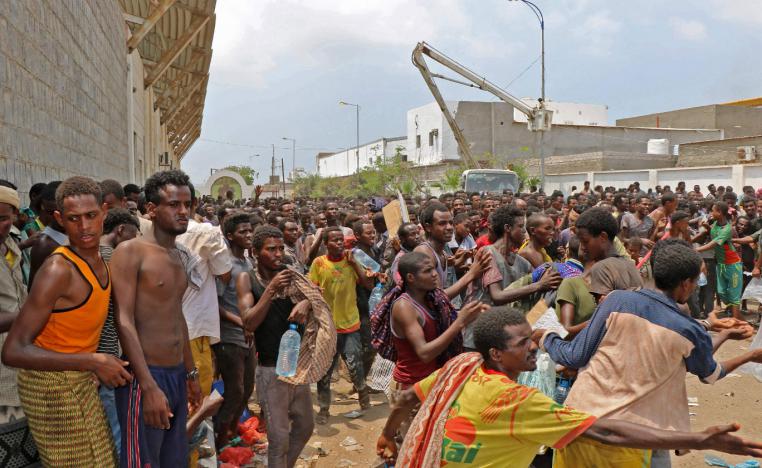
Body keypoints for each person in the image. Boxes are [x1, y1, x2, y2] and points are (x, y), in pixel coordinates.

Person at [377, 307, 762, 468]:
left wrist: (388, 434)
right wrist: (698, 440)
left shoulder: (461, 367)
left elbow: (408, 397)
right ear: (495, 353)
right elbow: (603, 430)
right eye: (522, 344)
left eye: (532, 337)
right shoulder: (514, 400)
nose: (534, 346)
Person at [540, 240, 762, 467]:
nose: (695, 287)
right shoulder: (689, 329)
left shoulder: (617, 300)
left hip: (580, 423)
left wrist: (547, 337)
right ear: (685, 284)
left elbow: (574, 356)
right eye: (696, 282)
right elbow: (710, 374)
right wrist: (750, 356)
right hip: (631, 436)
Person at [2, 177, 130, 466]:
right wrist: (93, 361)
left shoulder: (102, 258)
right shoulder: (58, 270)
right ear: (59, 218)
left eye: (90, 216)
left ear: (105, 212)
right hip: (50, 386)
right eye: (73, 219)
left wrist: (92, 364)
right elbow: (13, 350)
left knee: (104, 459)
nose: (84, 227)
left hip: (77, 378)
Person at [111, 170, 202, 467]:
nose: (183, 212)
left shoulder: (178, 256)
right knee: (143, 461)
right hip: (145, 377)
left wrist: (190, 373)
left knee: (173, 460)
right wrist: (148, 386)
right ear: (151, 209)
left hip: (175, 374)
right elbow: (123, 319)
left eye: (187, 205)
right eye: (174, 205)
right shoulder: (130, 252)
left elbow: (177, 316)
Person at [238, 226, 315, 468]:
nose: (278, 254)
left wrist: (304, 303)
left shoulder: (289, 273)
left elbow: (316, 296)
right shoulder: (247, 279)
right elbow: (249, 321)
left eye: (281, 248)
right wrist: (271, 289)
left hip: (297, 366)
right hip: (271, 370)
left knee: (304, 427)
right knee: (279, 437)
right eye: (271, 249)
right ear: (255, 252)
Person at [310, 227, 374, 423]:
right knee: (325, 371)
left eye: (341, 240)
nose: (339, 243)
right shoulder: (319, 263)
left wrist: (355, 265)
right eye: (335, 240)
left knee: (355, 365)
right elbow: (312, 290)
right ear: (325, 244)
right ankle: (323, 409)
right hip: (328, 327)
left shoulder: (352, 261)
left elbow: (368, 285)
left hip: (350, 324)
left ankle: (363, 397)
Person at [0, 182, 39, 467]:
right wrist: (38, 312)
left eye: (2, 218)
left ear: (15, 215)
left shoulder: (11, 244)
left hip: (20, 363)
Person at [98, 208, 140, 456]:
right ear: (121, 230)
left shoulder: (94, 255)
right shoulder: (110, 258)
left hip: (101, 353)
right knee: (115, 430)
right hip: (109, 353)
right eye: (133, 236)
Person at [213, 212, 255, 448]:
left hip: (248, 336)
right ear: (230, 236)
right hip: (229, 336)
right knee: (235, 390)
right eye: (242, 232)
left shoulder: (248, 262)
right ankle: (220, 438)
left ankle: (231, 432)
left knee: (247, 388)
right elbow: (215, 304)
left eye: (250, 231)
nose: (248, 235)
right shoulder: (226, 264)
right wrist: (241, 323)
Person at [696, 202, 744, 320]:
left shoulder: (728, 229)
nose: (711, 213)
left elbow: (714, 243)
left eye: (713, 211)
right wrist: (707, 227)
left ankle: (736, 321)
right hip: (721, 264)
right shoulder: (717, 223)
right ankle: (740, 318)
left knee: (734, 294)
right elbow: (714, 232)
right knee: (721, 292)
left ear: (720, 213)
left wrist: (697, 250)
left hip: (733, 265)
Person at [28, 181, 68, 288]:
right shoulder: (45, 245)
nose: (55, 217)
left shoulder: (76, 233)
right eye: (50, 212)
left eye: (60, 211)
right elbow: (34, 291)